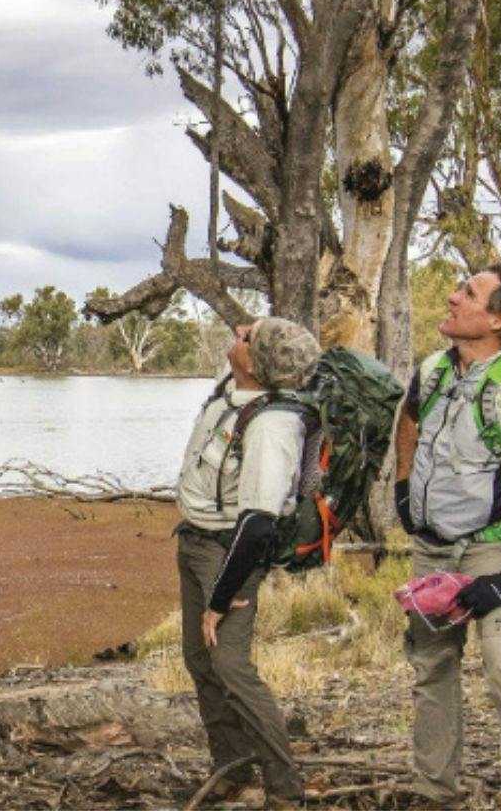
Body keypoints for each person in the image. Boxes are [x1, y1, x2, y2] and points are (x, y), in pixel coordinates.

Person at [392, 262, 501, 811]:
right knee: (432, 666)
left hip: (494, 546)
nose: (451, 297)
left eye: (468, 293)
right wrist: (403, 485)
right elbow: (409, 420)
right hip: (433, 547)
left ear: (500, 319)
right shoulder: (434, 370)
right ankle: (433, 790)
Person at [174, 317, 322, 809]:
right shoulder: (231, 396)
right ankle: (231, 771)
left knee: (230, 665)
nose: (238, 331)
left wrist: (221, 599)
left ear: (256, 364)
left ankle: (285, 789)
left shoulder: (273, 425)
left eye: (247, 335)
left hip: (227, 553)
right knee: (201, 661)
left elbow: (258, 523)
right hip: (195, 543)